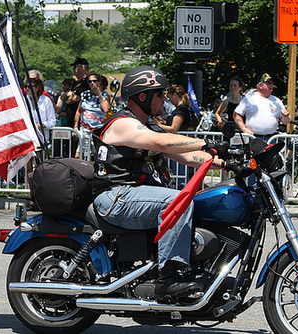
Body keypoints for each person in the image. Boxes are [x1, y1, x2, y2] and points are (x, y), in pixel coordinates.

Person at [92, 65, 229, 301]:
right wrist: (204, 142)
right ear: (142, 96)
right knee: (178, 200)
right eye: (159, 94)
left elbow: (186, 156)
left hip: (134, 196)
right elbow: (162, 143)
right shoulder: (123, 123)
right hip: (117, 196)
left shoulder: (148, 124)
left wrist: (230, 162)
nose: (164, 99)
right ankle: (169, 278)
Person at [233, 73, 290, 142]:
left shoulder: (277, 101)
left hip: (272, 139)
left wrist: (286, 117)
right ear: (260, 85)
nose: (271, 86)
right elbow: (236, 115)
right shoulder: (249, 99)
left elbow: (285, 122)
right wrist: (244, 129)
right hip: (253, 138)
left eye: (272, 83)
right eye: (268, 83)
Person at [74, 72, 111, 158]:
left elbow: (106, 109)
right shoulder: (84, 94)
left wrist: (99, 95)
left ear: (99, 82)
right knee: (78, 156)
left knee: (97, 156)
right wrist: (76, 126)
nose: (92, 83)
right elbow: (78, 111)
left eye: (94, 81)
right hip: (85, 131)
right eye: (90, 81)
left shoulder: (104, 95)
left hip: (98, 131)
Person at [24, 70, 57, 143]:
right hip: (27, 140)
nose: (27, 88)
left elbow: (52, 121)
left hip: (42, 140)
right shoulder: (24, 100)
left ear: (37, 87)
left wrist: (40, 126)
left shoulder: (46, 100)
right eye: (26, 86)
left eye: (30, 86)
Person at [58, 57, 90, 128]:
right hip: (70, 120)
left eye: (75, 67)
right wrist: (68, 95)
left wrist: (68, 96)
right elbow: (63, 96)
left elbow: (74, 99)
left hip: (80, 122)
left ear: (83, 67)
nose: (73, 69)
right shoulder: (75, 84)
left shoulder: (87, 82)